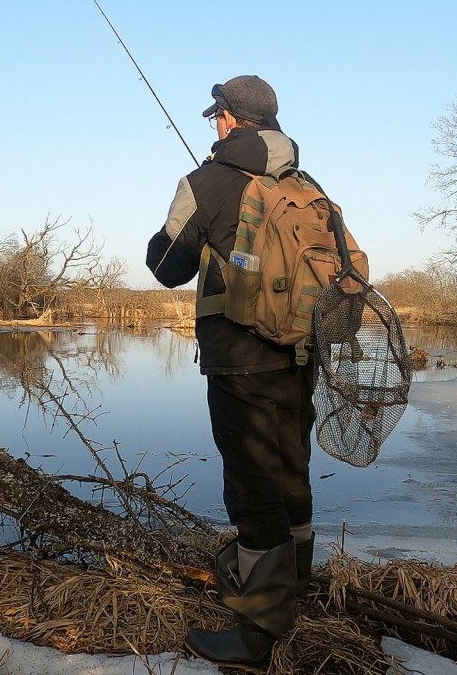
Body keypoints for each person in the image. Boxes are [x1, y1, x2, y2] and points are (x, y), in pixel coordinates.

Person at [145, 75, 315, 669]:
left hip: (240, 359)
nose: (213, 123)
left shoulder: (205, 182)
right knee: (292, 473)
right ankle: (296, 591)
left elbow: (167, 266)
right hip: (300, 354)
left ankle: (255, 634)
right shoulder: (305, 183)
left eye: (214, 114)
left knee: (253, 487)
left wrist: (186, 211)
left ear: (228, 119)